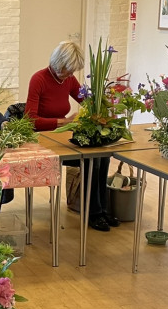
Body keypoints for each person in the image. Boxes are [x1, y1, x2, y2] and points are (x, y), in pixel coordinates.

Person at [25, 40, 116, 232]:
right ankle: (93, 212)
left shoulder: (68, 80)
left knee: (101, 155)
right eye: (66, 70)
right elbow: (30, 120)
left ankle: (102, 209)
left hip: (62, 138)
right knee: (91, 161)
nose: (69, 75)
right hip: (43, 141)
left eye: (72, 71)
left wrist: (105, 107)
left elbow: (88, 102)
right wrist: (64, 122)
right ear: (57, 63)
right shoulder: (39, 79)